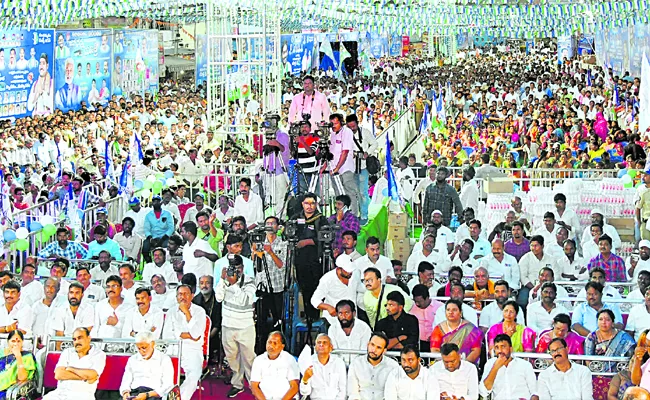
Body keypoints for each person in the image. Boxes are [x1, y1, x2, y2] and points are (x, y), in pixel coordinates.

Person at [214, 254, 256, 398]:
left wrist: (234, 284)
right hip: (227, 325)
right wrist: (222, 280)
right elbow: (218, 298)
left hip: (245, 326)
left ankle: (254, 385)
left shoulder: (250, 281)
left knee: (249, 358)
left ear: (243, 268)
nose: (235, 272)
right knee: (232, 358)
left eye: (237, 269)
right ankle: (237, 385)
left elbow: (245, 300)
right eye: (232, 268)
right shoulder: (225, 280)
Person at [162, 285, 206, 400]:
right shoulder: (171, 311)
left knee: (194, 374)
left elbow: (196, 335)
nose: (183, 297)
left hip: (192, 349)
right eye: (180, 294)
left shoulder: (199, 311)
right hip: (173, 349)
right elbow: (166, 336)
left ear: (192, 296)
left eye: (186, 294)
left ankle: (179, 398)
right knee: (161, 372)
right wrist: (186, 335)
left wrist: (187, 314)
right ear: (176, 297)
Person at [291, 193, 329, 322]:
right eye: (307, 203)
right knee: (304, 288)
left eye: (312, 203)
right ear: (302, 204)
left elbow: (326, 236)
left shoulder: (321, 219)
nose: (310, 206)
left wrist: (308, 242)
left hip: (316, 260)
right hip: (300, 260)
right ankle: (308, 315)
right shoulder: (296, 218)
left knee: (316, 288)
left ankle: (316, 315)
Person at [43, 327, 107, 400]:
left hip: (83, 396)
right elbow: (58, 374)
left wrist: (70, 369)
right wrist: (85, 377)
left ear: (88, 338)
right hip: (60, 394)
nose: (77, 342)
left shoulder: (98, 354)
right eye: (74, 339)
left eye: (80, 338)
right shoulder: (67, 352)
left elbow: (93, 374)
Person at [252, 216, 287, 332]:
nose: (270, 226)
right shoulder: (259, 242)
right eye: (268, 223)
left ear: (278, 227)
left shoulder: (283, 244)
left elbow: (282, 265)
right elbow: (254, 265)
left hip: (277, 286)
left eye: (273, 223)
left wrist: (270, 252)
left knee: (278, 319)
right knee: (261, 319)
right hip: (262, 286)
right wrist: (254, 252)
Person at [479, 334, 539, 400]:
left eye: (503, 347)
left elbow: (535, 392)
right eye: (497, 347)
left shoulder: (524, 365)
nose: (500, 351)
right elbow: (483, 392)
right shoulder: (490, 364)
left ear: (511, 349)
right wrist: (495, 367)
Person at [119, 331, 175, 400]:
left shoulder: (164, 359)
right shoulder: (132, 359)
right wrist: (125, 393)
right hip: (135, 393)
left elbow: (168, 385)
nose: (141, 351)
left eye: (144, 348)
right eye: (139, 348)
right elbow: (126, 381)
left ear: (152, 344)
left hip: (154, 394)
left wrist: (148, 394)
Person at [311, 254, 364, 326]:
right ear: (339, 269)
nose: (350, 273)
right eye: (347, 271)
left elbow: (359, 287)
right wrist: (328, 307)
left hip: (352, 320)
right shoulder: (327, 279)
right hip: (332, 321)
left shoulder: (356, 273)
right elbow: (314, 300)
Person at [346, 114, 378, 224]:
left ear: (357, 123)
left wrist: (367, 153)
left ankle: (364, 215)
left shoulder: (365, 132)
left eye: (353, 126)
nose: (352, 129)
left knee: (363, 192)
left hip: (363, 166)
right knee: (353, 192)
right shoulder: (345, 134)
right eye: (349, 127)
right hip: (350, 166)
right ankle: (354, 214)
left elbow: (374, 143)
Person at [347, 332, 399, 400]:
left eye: (379, 347)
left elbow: (393, 393)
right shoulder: (356, 364)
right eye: (372, 345)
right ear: (368, 344)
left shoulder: (393, 366)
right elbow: (353, 393)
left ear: (384, 351)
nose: (373, 350)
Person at [430, 299, 482, 364]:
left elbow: (476, 351)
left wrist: (463, 365)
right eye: (448, 310)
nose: (450, 312)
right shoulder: (438, 329)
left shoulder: (471, 329)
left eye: (454, 310)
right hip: (444, 365)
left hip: (466, 365)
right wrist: (447, 363)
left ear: (460, 312)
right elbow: (435, 350)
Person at [250, 331, 300, 400]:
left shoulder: (289, 359)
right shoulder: (258, 360)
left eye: (275, 343)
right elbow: (254, 386)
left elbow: (294, 387)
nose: (271, 346)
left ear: (282, 346)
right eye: (269, 342)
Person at [517, 235, 561, 310]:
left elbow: (557, 275)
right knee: (522, 301)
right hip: (530, 286)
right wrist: (534, 288)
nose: (533, 248)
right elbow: (523, 276)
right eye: (532, 246)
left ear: (542, 246)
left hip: (550, 287)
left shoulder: (551, 259)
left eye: (536, 245)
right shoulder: (525, 258)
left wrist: (548, 286)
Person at [299, 334, 347, 400]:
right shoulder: (309, 362)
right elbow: (304, 393)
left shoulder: (339, 363)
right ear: (315, 347)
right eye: (319, 343)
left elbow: (343, 389)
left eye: (325, 342)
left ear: (331, 347)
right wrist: (305, 379)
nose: (321, 345)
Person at [327, 299, 372, 367]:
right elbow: (333, 353)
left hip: (360, 366)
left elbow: (364, 352)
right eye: (340, 313)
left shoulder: (364, 328)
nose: (343, 316)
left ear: (354, 313)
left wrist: (353, 368)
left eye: (347, 313)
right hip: (338, 367)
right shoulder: (332, 329)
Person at [0, 330, 37, 397]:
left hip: (10, 391)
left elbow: (22, 378)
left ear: (22, 342)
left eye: (18, 341)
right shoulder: (1, 354)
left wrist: (18, 356)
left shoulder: (27, 356)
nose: (16, 344)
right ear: (8, 342)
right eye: (13, 341)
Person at [409, 284, 443, 352]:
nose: (417, 304)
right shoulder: (411, 309)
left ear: (427, 298)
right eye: (416, 301)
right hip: (419, 344)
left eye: (420, 301)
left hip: (437, 343)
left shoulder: (440, 307)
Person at [142, 195, 175, 263]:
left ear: (161, 202)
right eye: (154, 201)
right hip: (152, 237)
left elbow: (171, 228)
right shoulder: (148, 215)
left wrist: (163, 239)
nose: (156, 203)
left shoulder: (168, 214)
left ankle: (165, 263)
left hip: (165, 237)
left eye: (158, 201)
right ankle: (150, 263)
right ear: (152, 203)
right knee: (145, 247)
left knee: (167, 247)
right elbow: (146, 229)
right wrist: (151, 239)